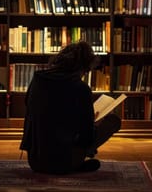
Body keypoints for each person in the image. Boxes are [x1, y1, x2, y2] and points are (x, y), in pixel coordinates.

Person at [19, 41, 122, 174]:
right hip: (63, 161)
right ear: (82, 67)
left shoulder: (37, 80)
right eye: (86, 71)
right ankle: (75, 165)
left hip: (35, 161)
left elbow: (32, 108)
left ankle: (76, 164)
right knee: (113, 120)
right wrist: (91, 121)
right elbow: (86, 137)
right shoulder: (80, 88)